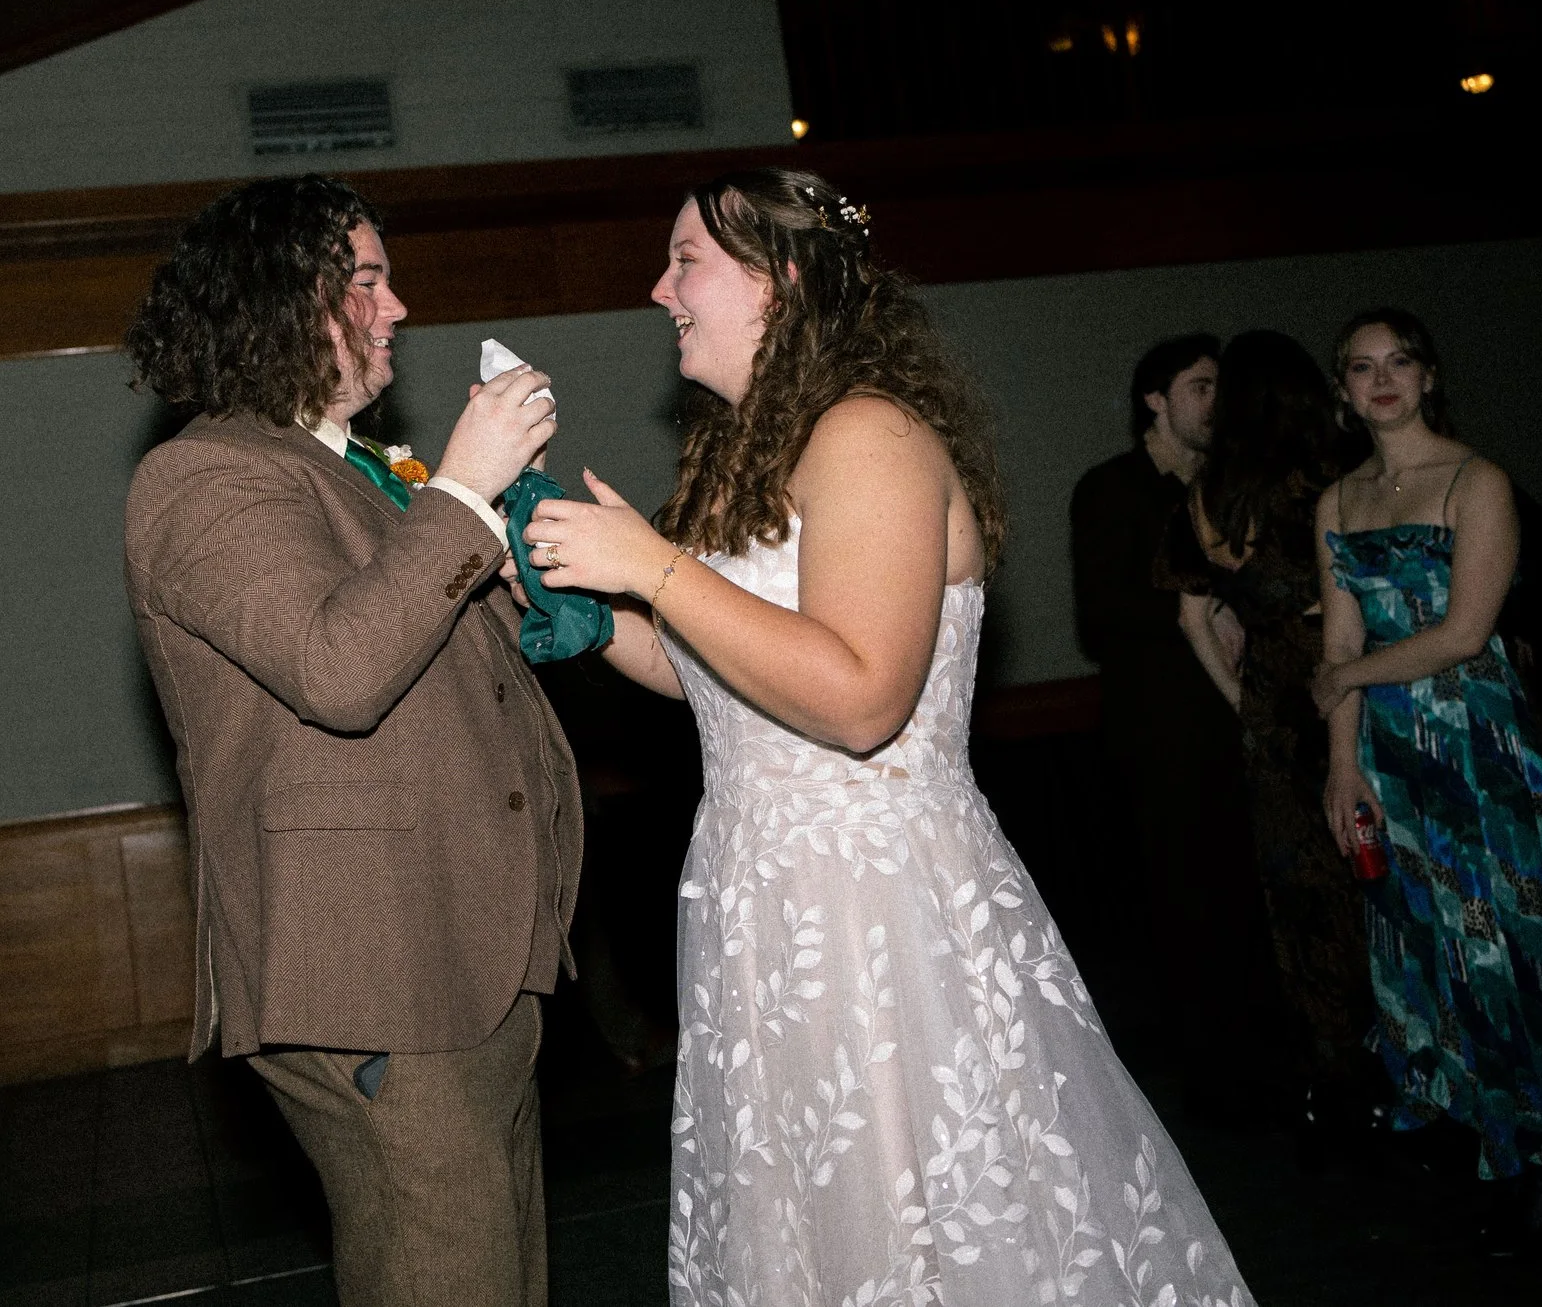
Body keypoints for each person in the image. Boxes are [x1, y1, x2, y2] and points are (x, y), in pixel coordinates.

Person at [523, 170, 1252, 1307]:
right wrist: (586, 609)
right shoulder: (750, 451)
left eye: (686, 260)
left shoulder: (868, 434)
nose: (657, 286)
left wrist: (652, 565)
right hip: (760, 895)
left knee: (930, 1215)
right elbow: (718, 670)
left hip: (878, 910)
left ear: (787, 281)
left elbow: (861, 696)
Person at [121, 176, 580, 1307]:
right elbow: (339, 670)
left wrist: (522, 558)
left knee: (500, 1271)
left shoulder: (348, 467)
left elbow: (445, 659)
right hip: (372, 966)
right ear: (278, 300)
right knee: (444, 1269)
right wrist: (462, 492)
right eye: (367, 280)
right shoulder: (204, 474)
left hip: (464, 946)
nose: (399, 308)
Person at [1313, 308, 1542, 1220]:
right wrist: (1344, 766)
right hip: (1387, 749)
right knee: (1421, 933)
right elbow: (1339, 631)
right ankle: (1468, 1114)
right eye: (1362, 367)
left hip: (1474, 744)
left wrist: (1341, 675)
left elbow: (1463, 633)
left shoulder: (1476, 480)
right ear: (1343, 391)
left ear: (1428, 374)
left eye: (1399, 361)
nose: (1382, 380)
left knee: (1506, 935)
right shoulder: (1337, 501)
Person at [1164, 329, 1379, 1149]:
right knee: (1378, 882)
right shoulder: (1332, 479)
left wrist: (1248, 704)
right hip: (1353, 684)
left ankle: (1335, 1086)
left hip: (1274, 712)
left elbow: (1193, 616)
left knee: (1305, 906)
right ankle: (1404, 1072)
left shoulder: (1208, 493)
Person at [1069, 334, 1280, 1119]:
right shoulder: (1112, 490)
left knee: (1254, 898)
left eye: (1221, 386)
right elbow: (1101, 614)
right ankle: (1213, 1084)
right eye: (1200, 386)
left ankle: (1269, 1062)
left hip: (1241, 723)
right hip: (1163, 736)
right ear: (1154, 399)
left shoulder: (1235, 488)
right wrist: (1200, 609)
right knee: (1188, 904)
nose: (1216, 402)